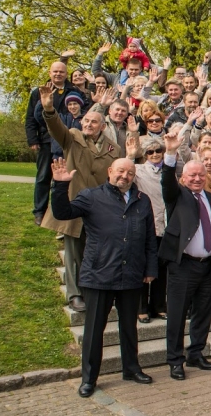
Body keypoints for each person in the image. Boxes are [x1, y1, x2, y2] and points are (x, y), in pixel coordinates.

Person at [50, 157, 157, 398]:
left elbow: (150, 238)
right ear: (110, 171)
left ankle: (131, 368)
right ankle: (89, 378)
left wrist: (150, 269)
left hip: (131, 275)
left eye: (130, 173)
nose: (125, 176)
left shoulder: (142, 201)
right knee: (94, 330)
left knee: (129, 327)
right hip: (99, 274)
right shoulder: (91, 196)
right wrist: (59, 185)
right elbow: (62, 212)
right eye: (121, 171)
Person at [38, 83, 123, 312]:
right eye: (85, 121)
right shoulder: (72, 137)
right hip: (74, 203)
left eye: (93, 122)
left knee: (94, 251)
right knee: (73, 250)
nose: (88, 124)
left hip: (99, 208)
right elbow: (56, 128)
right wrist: (49, 110)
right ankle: (75, 294)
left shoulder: (114, 148)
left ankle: (91, 291)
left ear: (102, 126)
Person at [159, 132, 211, 381]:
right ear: (183, 178)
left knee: (203, 313)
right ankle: (175, 361)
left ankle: (195, 353)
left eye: (201, 175)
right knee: (177, 315)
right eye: (192, 175)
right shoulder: (177, 196)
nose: (197, 178)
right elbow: (166, 182)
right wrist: (169, 153)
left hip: (207, 266)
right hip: (182, 266)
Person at [125, 134, 169, 323]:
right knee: (143, 267)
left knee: (161, 269)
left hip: (165, 224)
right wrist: (130, 155)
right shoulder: (138, 169)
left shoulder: (170, 170)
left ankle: (158, 306)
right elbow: (124, 175)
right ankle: (141, 307)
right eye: (150, 152)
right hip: (144, 223)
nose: (154, 154)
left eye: (158, 150)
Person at [25, 61, 76, 224]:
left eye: (61, 72)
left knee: (64, 176)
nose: (58, 74)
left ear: (66, 74)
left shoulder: (72, 91)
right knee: (43, 177)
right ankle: (39, 211)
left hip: (67, 139)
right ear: (50, 73)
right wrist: (33, 138)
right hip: (46, 139)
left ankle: (60, 211)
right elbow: (30, 118)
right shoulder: (38, 92)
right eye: (55, 71)